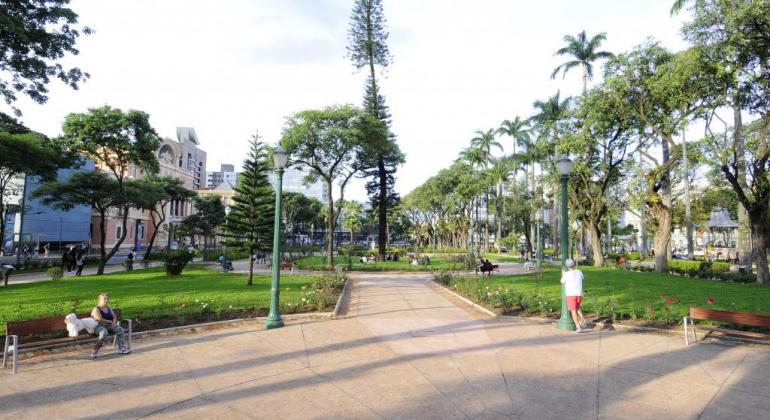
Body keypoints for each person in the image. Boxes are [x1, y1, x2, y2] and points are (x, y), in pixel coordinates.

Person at [90, 293, 130, 358]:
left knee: (120, 330)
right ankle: (95, 349)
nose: (106, 300)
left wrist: (114, 322)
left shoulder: (108, 307)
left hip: (108, 325)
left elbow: (114, 316)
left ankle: (121, 348)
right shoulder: (96, 309)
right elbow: (100, 319)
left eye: (107, 299)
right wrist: (111, 322)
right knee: (104, 333)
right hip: (97, 326)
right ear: (99, 300)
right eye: (104, 299)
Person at [560, 258, 586, 333]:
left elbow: (562, 281)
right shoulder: (579, 272)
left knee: (573, 311)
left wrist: (563, 274)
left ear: (567, 266)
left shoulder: (566, 274)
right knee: (577, 308)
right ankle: (582, 317)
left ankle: (578, 326)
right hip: (579, 293)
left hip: (571, 294)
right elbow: (583, 279)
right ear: (574, 265)